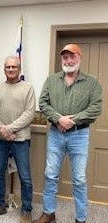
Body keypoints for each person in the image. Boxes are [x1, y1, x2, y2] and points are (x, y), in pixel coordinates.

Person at [33, 44, 102, 223]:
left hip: (79, 135)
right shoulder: (51, 80)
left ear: (80, 57)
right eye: (65, 57)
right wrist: (58, 119)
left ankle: (81, 218)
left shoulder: (92, 82)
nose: (69, 61)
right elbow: (43, 103)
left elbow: (96, 108)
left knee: (79, 179)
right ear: (61, 59)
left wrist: (72, 120)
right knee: (50, 174)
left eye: (72, 57)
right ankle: (49, 213)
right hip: (56, 134)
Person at [0, 56, 36, 223]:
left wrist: (10, 129)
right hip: (1, 139)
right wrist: (2, 130)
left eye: (14, 67)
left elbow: (29, 113)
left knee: (25, 176)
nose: (11, 69)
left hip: (21, 139)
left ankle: (26, 210)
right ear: (4, 69)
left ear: (19, 69)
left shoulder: (28, 88)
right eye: (7, 67)